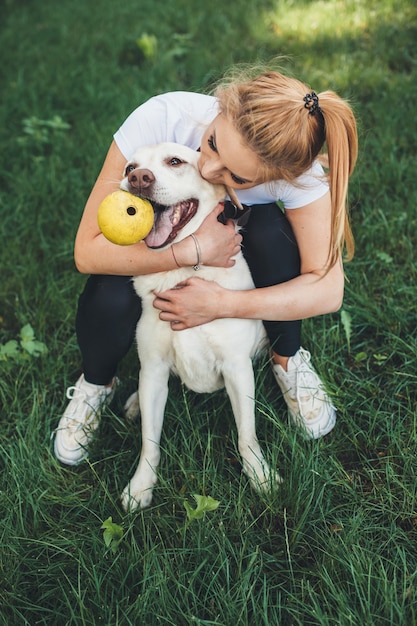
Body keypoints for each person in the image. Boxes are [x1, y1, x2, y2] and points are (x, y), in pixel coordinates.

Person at [53, 67, 358, 466]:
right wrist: (190, 252)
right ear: (222, 104)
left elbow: (327, 289)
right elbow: (86, 251)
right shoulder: (160, 117)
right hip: (159, 235)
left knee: (271, 235)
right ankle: (96, 382)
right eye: (212, 144)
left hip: (235, 256)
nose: (209, 170)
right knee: (107, 292)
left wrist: (224, 304)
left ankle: (286, 359)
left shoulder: (298, 172)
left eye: (238, 176)